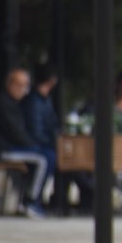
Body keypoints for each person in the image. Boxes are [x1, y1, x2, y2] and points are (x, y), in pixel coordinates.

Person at [21, 62, 94, 215]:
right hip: (36, 145)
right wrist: (54, 143)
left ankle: (69, 198)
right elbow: (36, 131)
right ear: (52, 80)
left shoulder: (44, 100)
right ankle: (32, 200)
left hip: (44, 143)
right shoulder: (34, 101)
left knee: (67, 157)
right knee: (50, 158)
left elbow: (52, 125)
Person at [0, 68, 52, 218]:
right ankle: (31, 202)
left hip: (8, 147)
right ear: (9, 84)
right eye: (19, 85)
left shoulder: (13, 103)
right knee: (43, 159)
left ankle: (29, 199)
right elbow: (15, 133)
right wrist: (34, 146)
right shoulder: (2, 103)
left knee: (46, 156)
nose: (22, 89)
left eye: (25, 85)